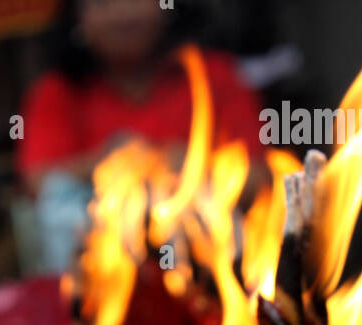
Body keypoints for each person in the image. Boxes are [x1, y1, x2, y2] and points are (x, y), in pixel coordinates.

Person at [17, 0, 264, 270]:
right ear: (78, 19)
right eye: (102, 4)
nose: (123, 13)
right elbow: (39, 182)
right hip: (104, 274)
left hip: (213, 268)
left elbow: (258, 177)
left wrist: (187, 164)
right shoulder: (57, 92)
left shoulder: (213, 76)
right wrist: (115, 161)